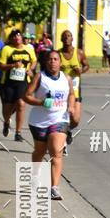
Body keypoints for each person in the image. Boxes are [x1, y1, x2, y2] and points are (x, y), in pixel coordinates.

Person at [23, 49, 75, 201]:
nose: (53, 62)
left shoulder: (67, 78)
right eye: (50, 59)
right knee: (39, 152)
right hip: (39, 121)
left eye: (55, 59)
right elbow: (26, 96)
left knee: (56, 152)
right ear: (46, 62)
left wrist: (71, 106)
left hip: (60, 119)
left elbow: (71, 94)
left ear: (60, 62)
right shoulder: (40, 77)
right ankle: (35, 176)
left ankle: (54, 188)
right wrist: (41, 102)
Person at [0, 29, 37, 141]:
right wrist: (13, 65)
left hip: (23, 81)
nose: (16, 37)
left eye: (18, 35)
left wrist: (31, 69)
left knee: (21, 104)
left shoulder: (29, 48)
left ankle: (18, 132)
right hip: (8, 82)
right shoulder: (6, 49)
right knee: (7, 108)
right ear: (11, 39)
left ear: (21, 37)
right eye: (14, 36)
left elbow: (34, 61)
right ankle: (6, 121)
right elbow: (1, 66)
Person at [59, 29, 89, 132]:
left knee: (75, 120)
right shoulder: (58, 54)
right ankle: (61, 134)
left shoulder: (79, 53)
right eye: (65, 36)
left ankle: (67, 130)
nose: (67, 37)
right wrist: (59, 68)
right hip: (61, 90)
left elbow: (87, 66)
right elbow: (50, 67)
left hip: (75, 90)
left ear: (72, 38)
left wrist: (81, 70)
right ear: (61, 39)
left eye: (69, 36)